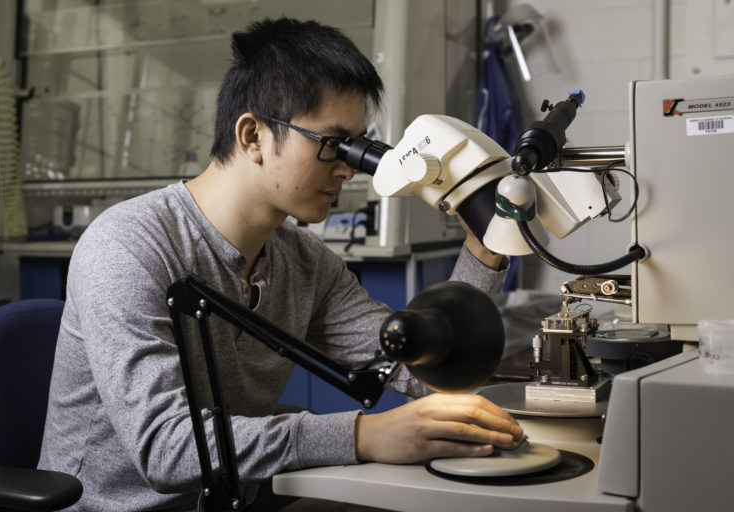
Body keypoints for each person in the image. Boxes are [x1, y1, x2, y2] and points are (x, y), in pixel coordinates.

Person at [38, 17, 524, 511]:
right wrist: (362, 435)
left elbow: (418, 371)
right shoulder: (127, 246)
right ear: (252, 136)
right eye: (333, 145)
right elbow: (165, 448)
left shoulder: (303, 262)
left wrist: (485, 245)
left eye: (358, 150)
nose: (346, 169)